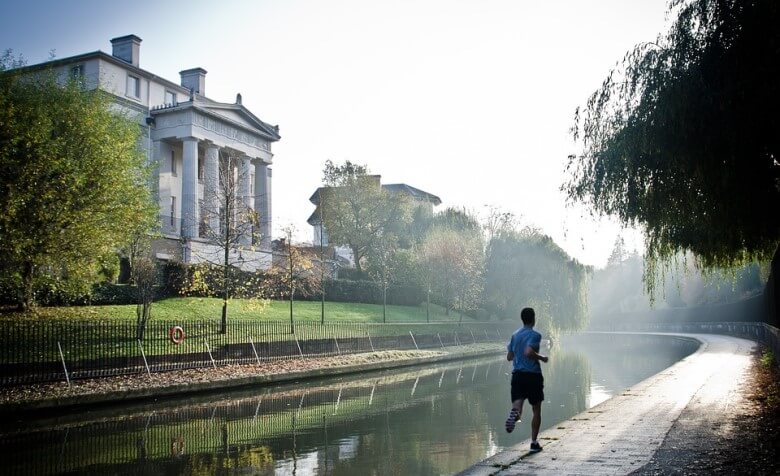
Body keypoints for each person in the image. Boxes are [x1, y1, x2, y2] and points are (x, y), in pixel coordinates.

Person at [505, 307, 548, 453]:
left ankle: (514, 414)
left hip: (517, 375)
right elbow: (529, 352)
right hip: (533, 376)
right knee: (536, 409)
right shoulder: (535, 335)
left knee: (517, 406)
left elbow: (509, 356)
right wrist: (542, 357)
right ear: (533, 319)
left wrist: (517, 355)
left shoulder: (514, 335)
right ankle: (534, 443)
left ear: (522, 319)